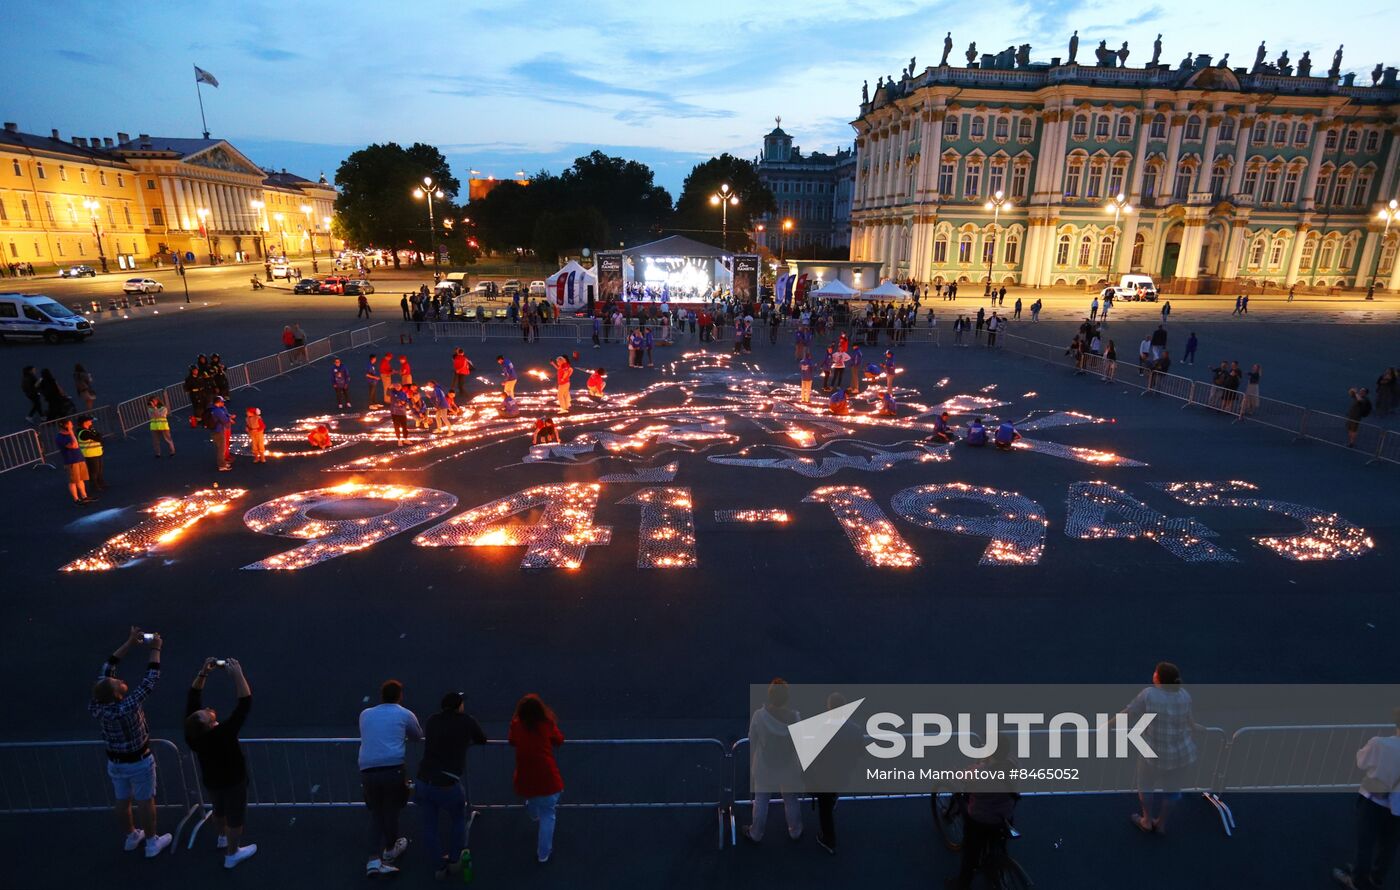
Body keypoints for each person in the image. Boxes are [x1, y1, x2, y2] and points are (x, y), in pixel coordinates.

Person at [88, 627, 172, 858]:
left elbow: (109, 665)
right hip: (139, 761)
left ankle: (131, 836)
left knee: (122, 800)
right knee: (146, 801)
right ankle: (152, 842)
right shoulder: (126, 706)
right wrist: (155, 648)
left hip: (115, 763)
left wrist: (129, 643)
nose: (119, 680)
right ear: (117, 694)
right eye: (117, 684)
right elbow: (150, 679)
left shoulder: (98, 705)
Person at [185, 658, 257, 869]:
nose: (205, 709)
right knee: (235, 816)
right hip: (233, 781)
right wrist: (238, 675)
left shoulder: (193, 735)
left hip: (212, 780)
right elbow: (245, 703)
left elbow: (193, 698)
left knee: (218, 809)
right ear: (210, 724)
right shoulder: (223, 734)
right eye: (205, 714)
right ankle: (232, 853)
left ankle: (221, 837)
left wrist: (203, 673)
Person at [1121, 661, 1201, 835]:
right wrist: (1197, 728)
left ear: (1157, 677)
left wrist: (1106, 725)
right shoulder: (1184, 695)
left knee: (1145, 786)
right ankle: (1162, 824)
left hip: (1153, 754)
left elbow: (1129, 712)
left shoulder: (1149, 695)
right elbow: (1189, 720)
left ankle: (1147, 820)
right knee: (1172, 791)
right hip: (1181, 755)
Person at [416, 692, 488, 879]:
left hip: (423, 780)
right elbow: (482, 739)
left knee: (429, 826)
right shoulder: (466, 721)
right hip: (447, 783)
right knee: (457, 819)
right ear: (459, 706)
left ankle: (439, 867)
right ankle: (455, 860)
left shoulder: (432, 720)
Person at [359, 680, 423, 877]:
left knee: (376, 813)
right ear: (399, 696)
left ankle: (372, 859)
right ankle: (390, 850)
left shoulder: (366, 714)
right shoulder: (404, 713)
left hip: (368, 770)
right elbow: (417, 735)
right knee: (391, 811)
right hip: (392, 769)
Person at [1332, 711, 1400, 890]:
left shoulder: (1380, 744)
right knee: (1389, 845)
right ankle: (1377, 877)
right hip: (1398, 807)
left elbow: (1361, 762)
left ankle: (1356, 881)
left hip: (1374, 801)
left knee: (1365, 843)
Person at [951, 746, 1021, 889]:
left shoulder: (981, 773)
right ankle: (997, 860)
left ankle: (961, 884)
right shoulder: (1014, 764)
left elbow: (965, 779)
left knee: (970, 855)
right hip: (1005, 814)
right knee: (998, 840)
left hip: (981, 819)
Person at [744, 678, 803, 843]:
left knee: (761, 799)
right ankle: (795, 831)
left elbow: (752, 738)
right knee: (790, 799)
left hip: (765, 766)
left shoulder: (759, 716)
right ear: (786, 697)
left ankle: (756, 833)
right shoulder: (795, 717)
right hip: (788, 766)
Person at [509, 693, 565, 863]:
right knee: (548, 813)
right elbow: (559, 739)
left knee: (532, 798)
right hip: (548, 779)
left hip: (526, 779)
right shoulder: (546, 723)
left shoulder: (517, 725)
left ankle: (533, 814)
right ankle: (543, 853)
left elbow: (512, 741)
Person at [55, 419, 93, 503]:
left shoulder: (69, 434)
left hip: (79, 459)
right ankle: (76, 499)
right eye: (70, 425)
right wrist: (71, 432)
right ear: (65, 426)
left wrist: (71, 433)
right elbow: (74, 445)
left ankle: (84, 496)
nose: (72, 426)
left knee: (81, 479)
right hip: (71, 461)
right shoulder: (60, 437)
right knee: (73, 481)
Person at [77, 415, 106, 491]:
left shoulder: (90, 430)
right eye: (90, 421)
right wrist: (97, 433)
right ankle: (94, 486)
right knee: (94, 471)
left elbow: (99, 437)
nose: (91, 422)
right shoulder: (83, 432)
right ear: (85, 422)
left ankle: (101, 483)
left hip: (97, 453)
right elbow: (98, 438)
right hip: (90, 455)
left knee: (99, 470)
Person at [208, 396, 235, 471]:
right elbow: (224, 420)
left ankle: (223, 463)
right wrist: (229, 419)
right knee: (221, 449)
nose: (223, 403)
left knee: (220, 448)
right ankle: (222, 466)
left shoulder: (212, 409)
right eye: (222, 402)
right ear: (218, 402)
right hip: (218, 431)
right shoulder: (218, 411)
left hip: (214, 430)